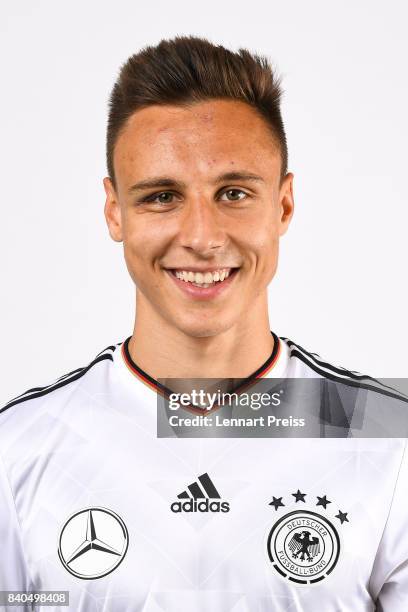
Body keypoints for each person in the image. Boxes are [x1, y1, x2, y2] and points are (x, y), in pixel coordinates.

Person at [0, 35, 407, 612]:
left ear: (284, 205)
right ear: (114, 212)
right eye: (162, 197)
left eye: (234, 192)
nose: (202, 237)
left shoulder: (389, 440)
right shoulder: (15, 450)